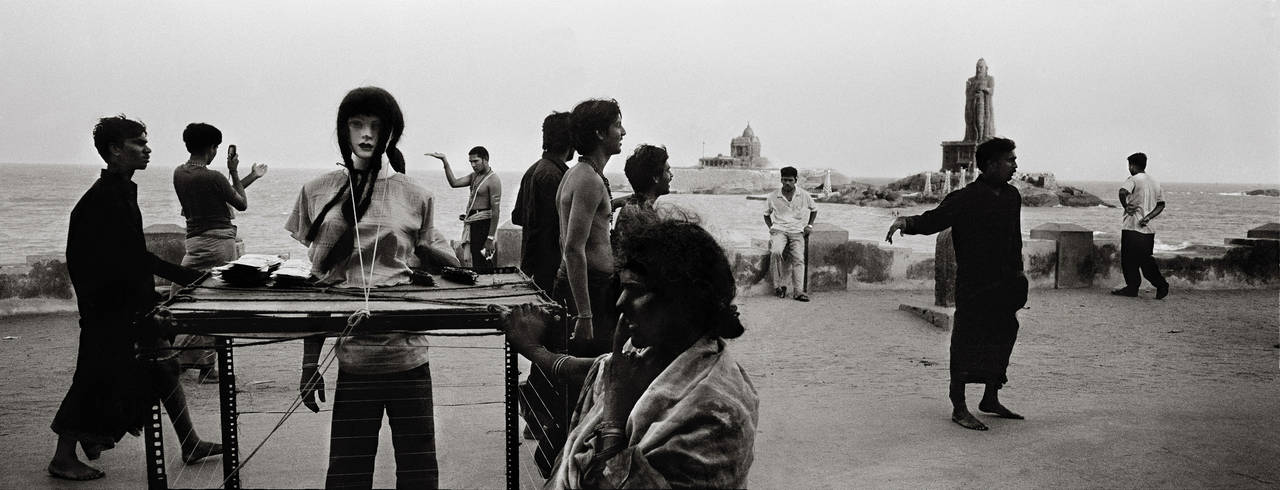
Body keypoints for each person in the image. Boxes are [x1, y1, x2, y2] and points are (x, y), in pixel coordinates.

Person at [285, 87, 459, 489]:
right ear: (343, 129)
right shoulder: (318, 191)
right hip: (354, 361)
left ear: (390, 134)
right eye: (357, 124)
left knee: (418, 471)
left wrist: (439, 256)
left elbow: (436, 260)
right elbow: (320, 285)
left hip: (409, 355)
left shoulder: (416, 194)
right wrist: (310, 364)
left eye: (376, 127)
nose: (366, 135)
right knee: (348, 472)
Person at [503, 217, 758, 488]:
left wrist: (613, 417)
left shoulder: (716, 417)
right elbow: (598, 369)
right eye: (622, 288)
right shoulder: (660, 354)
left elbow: (611, 381)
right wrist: (533, 349)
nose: (620, 302)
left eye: (634, 290)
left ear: (683, 301)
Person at [49, 116, 222, 481]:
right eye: (139, 142)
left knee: (165, 366)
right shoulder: (105, 199)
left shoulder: (121, 190)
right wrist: (186, 279)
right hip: (109, 309)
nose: (147, 148)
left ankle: (188, 442)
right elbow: (126, 260)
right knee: (93, 379)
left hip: (120, 304)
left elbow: (132, 256)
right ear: (115, 149)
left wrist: (179, 283)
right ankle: (64, 456)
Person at [886, 137, 1028, 431]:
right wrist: (907, 223)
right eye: (1009, 160)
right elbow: (934, 219)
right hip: (975, 284)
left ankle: (990, 397)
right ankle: (959, 406)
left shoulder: (1013, 196)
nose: (1015, 165)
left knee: (1003, 335)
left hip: (1005, 283)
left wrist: (1019, 277)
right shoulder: (966, 198)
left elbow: (1015, 240)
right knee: (966, 342)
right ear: (990, 164)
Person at [171, 122, 268, 383]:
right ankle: (184, 360)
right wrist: (235, 171)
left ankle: (201, 365)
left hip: (194, 242)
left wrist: (250, 177)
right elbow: (240, 202)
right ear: (212, 148)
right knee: (215, 304)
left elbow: (219, 193)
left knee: (183, 297)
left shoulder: (179, 173)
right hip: (219, 243)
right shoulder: (213, 177)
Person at [512, 112, 575, 294]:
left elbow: (518, 216)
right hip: (549, 270)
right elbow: (554, 229)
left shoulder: (534, 170)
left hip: (534, 267)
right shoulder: (554, 175)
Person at [428, 146, 501, 270]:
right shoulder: (474, 176)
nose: (473, 165)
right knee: (476, 258)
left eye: (476, 161)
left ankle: (489, 285)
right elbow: (454, 183)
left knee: (484, 259)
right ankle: (482, 285)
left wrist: (490, 238)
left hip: (484, 223)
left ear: (486, 159)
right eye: (470, 162)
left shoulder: (493, 180)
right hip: (473, 222)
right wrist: (445, 161)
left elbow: (496, 211)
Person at [1111, 152, 1170, 299]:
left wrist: (1126, 206)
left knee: (1128, 260)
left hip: (1132, 226)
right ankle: (1161, 284)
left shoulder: (1133, 179)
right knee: (1146, 260)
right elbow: (1161, 205)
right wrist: (1148, 217)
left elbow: (1122, 191)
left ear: (1132, 165)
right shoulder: (1155, 182)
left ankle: (1132, 288)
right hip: (1148, 229)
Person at [764, 166, 817, 302]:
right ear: (781, 180)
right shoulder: (773, 196)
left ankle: (798, 291)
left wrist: (809, 225)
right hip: (779, 230)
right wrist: (772, 228)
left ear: (795, 180)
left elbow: (814, 209)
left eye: (790, 180)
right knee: (776, 252)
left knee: (799, 258)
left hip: (797, 231)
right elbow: (766, 215)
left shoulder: (804, 195)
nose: (787, 183)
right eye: (784, 180)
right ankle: (779, 287)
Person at [612, 144, 673, 248]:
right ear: (656, 178)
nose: (671, 175)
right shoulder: (643, 216)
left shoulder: (633, 207)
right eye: (667, 170)